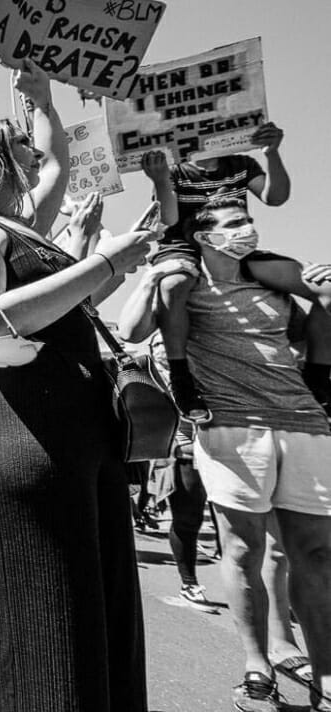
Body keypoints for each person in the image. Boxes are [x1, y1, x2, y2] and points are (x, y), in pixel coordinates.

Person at [0, 63, 157, 710]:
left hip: (78, 425)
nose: (36, 158)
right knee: (41, 613)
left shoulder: (28, 225)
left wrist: (43, 98)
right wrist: (106, 261)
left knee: (93, 602)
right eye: (21, 147)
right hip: (20, 427)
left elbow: (59, 161)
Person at [164, 198, 331, 710]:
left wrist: (323, 295)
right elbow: (145, 330)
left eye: (248, 220)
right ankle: (257, 663)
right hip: (233, 428)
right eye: (235, 223)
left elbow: (312, 333)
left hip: (304, 423)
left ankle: (325, 676)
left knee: (317, 555)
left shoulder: (274, 284)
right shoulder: (185, 287)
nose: (248, 229)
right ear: (204, 236)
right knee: (243, 550)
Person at [140, 129, 331, 420]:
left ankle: (318, 380)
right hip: (181, 247)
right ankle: (182, 380)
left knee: (326, 288)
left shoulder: (240, 164)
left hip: (237, 251)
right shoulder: (176, 170)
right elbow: (169, 220)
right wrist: (160, 180)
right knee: (174, 284)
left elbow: (275, 197)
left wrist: (272, 153)